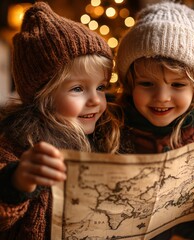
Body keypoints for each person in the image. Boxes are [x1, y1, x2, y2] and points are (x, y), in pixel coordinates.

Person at [116, 1, 194, 239]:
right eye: (146, 84)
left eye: (177, 85)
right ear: (130, 84)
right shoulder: (117, 127)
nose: (162, 98)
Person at [0, 2, 120, 239]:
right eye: (77, 88)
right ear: (42, 96)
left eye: (100, 87)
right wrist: (17, 183)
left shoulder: (107, 136)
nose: (96, 100)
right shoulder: (16, 147)